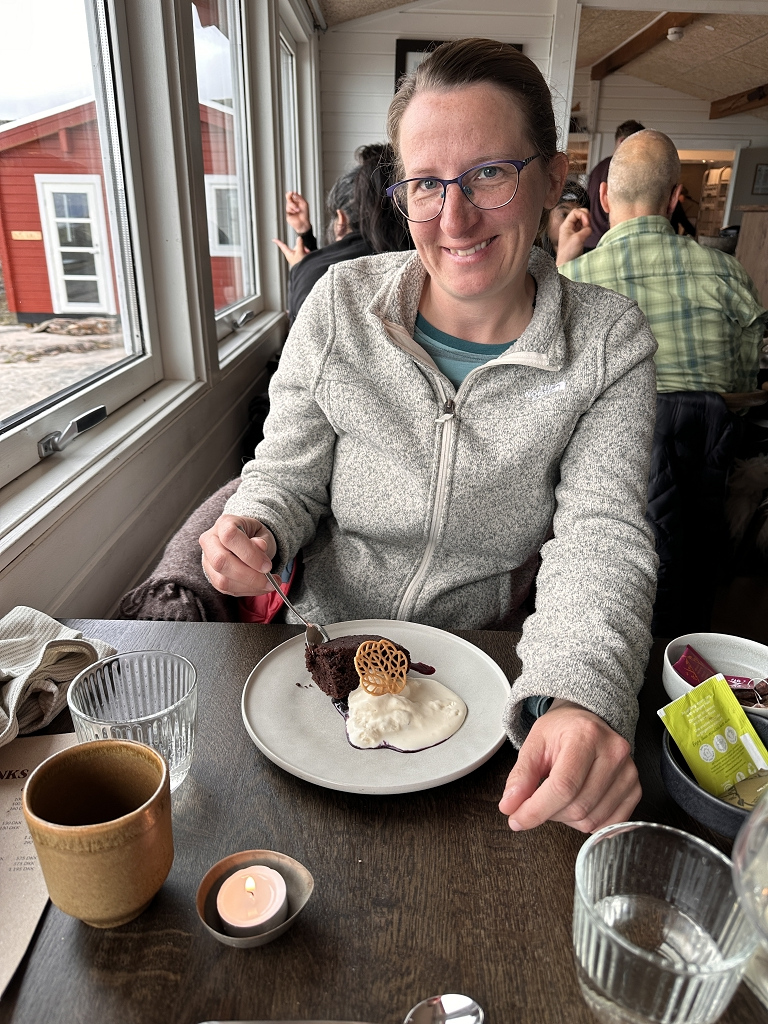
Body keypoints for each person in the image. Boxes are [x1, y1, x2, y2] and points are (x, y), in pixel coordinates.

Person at [200, 38, 658, 835]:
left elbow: (602, 538)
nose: (453, 218)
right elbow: (285, 471)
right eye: (424, 184)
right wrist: (257, 524)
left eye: (489, 174)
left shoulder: (608, 342)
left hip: (482, 673)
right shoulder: (341, 305)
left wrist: (579, 692)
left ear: (553, 178)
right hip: (315, 661)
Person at [557, 128, 768, 636]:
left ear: (604, 197)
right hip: (704, 507)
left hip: (598, 502)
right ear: (676, 198)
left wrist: (563, 262)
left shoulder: (574, 281)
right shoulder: (727, 275)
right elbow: (740, 390)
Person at [273, 144, 411, 323]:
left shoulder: (315, 277)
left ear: (341, 218)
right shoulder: (412, 258)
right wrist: (305, 234)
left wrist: (303, 268)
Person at [585, 120, 645, 248]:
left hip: (589, 241)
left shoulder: (598, 167)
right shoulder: (622, 168)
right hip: (608, 244)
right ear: (623, 141)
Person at [539, 180, 589, 259]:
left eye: (580, 216)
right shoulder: (531, 263)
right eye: (564, 214)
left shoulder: (595, 260)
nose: (572, 221)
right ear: (545, 219)